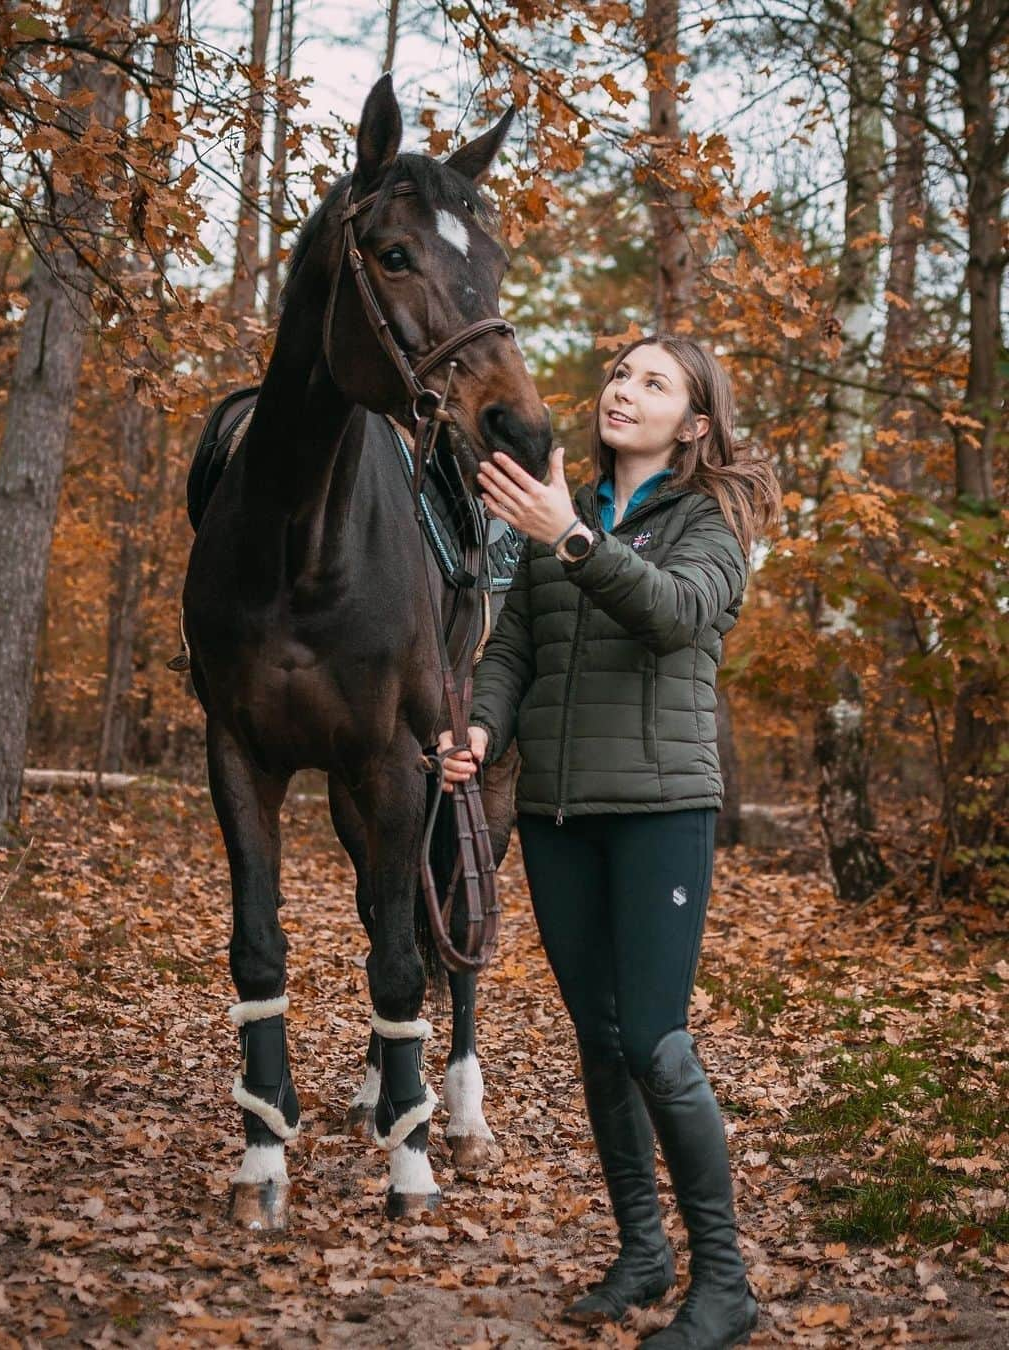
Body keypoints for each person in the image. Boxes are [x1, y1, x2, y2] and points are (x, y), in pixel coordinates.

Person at [439, 334, 781, 1349]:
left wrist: (571, 540)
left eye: (655, 382)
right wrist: (484, 727)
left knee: (655, 1042)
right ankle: (644, 1253)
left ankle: (723, 1283)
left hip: (661, 810)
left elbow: (674, 617)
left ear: (697, 423)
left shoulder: (712, 520)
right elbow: (517, 649)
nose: (624, 391)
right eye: (621, 374)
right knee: (597, 1036)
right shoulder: (564, 505)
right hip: (557, 813)